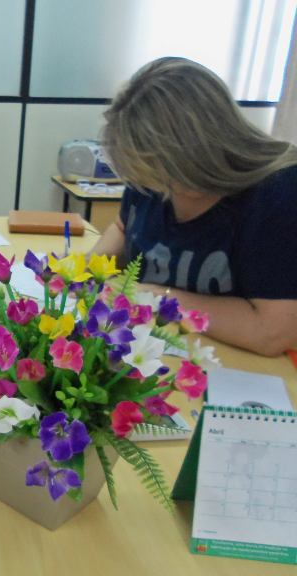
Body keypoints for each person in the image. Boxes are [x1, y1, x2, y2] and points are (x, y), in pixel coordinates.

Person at [89, 57, 297, 357]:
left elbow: (272, 333)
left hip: (235, 367)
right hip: (157, 351)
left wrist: (162, 297)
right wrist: (86, 271)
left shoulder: (279, 194)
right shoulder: (150, 176)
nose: (156, 189)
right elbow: (124, 227)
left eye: (167, 175)